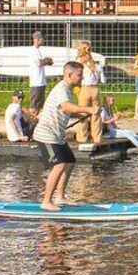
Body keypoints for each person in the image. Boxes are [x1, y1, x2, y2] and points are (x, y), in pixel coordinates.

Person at [32, 61, 102, 211]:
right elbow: (66, 106)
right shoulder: (61, 89)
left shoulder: (68, 90)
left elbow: (67, 111)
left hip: (57, 135)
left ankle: (60, 197)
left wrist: (86, 113)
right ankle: (46, 201)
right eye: (79, 75)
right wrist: (89, 109)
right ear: (69, 75)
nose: (82, 78)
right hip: (46, 134)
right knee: (59, 166)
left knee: (70, 162)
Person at [74, 40, 104, 144]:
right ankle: (97, 138)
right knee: (96, 114)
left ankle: (82, 138)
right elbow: (101, 78)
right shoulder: (92, 62)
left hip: (85, 88)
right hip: (95, 88)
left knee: (83, 113)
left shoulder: (78, 61)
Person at [28, 31, 52, 129]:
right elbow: (38, 63)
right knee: (34, 107)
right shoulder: (33, 50)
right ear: (37, 39)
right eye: (42, 38)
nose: (44, 40)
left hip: (40, 81)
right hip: (36, 82)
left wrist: (45, 61)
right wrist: (46, 61)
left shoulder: (37, 50)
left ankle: (37, 128)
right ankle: (29, 128)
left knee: (40, 107)